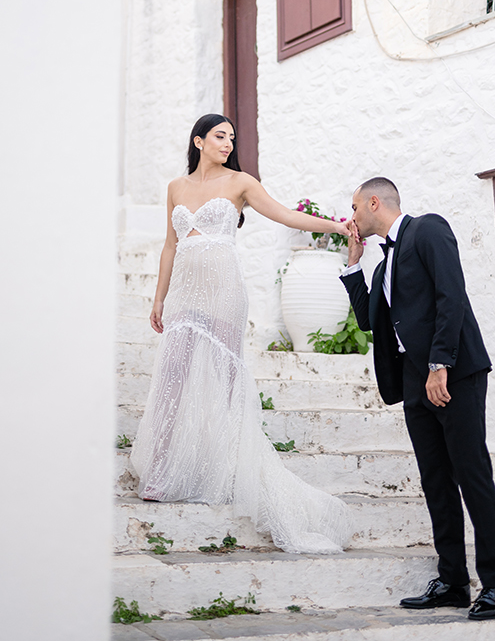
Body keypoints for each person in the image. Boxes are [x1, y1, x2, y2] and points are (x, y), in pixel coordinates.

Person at [130, 113, 351, 554]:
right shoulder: (176, 187)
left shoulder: (240, 183)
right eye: (219, 136)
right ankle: (162, 470)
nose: (228, 143)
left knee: (226, 381)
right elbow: (171, 245)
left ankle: (230, 467)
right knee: (173, 375)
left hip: (224, 293)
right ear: (199, 141)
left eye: (231, 137)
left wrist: (336, 226)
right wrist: (158, 299)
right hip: (184, 294)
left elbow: (285, 215)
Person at [340, 177, 495, 621]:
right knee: (436, 480)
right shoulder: (382, 267)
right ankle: (453, 582)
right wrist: (353, 265)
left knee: (472, 474)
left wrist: (440, 364)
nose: (351, 217)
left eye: (355, 207)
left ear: (374, 202)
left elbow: (450, 295)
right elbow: (369, 321)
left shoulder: (428, 229)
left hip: (453, 373)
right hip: (414, 381)